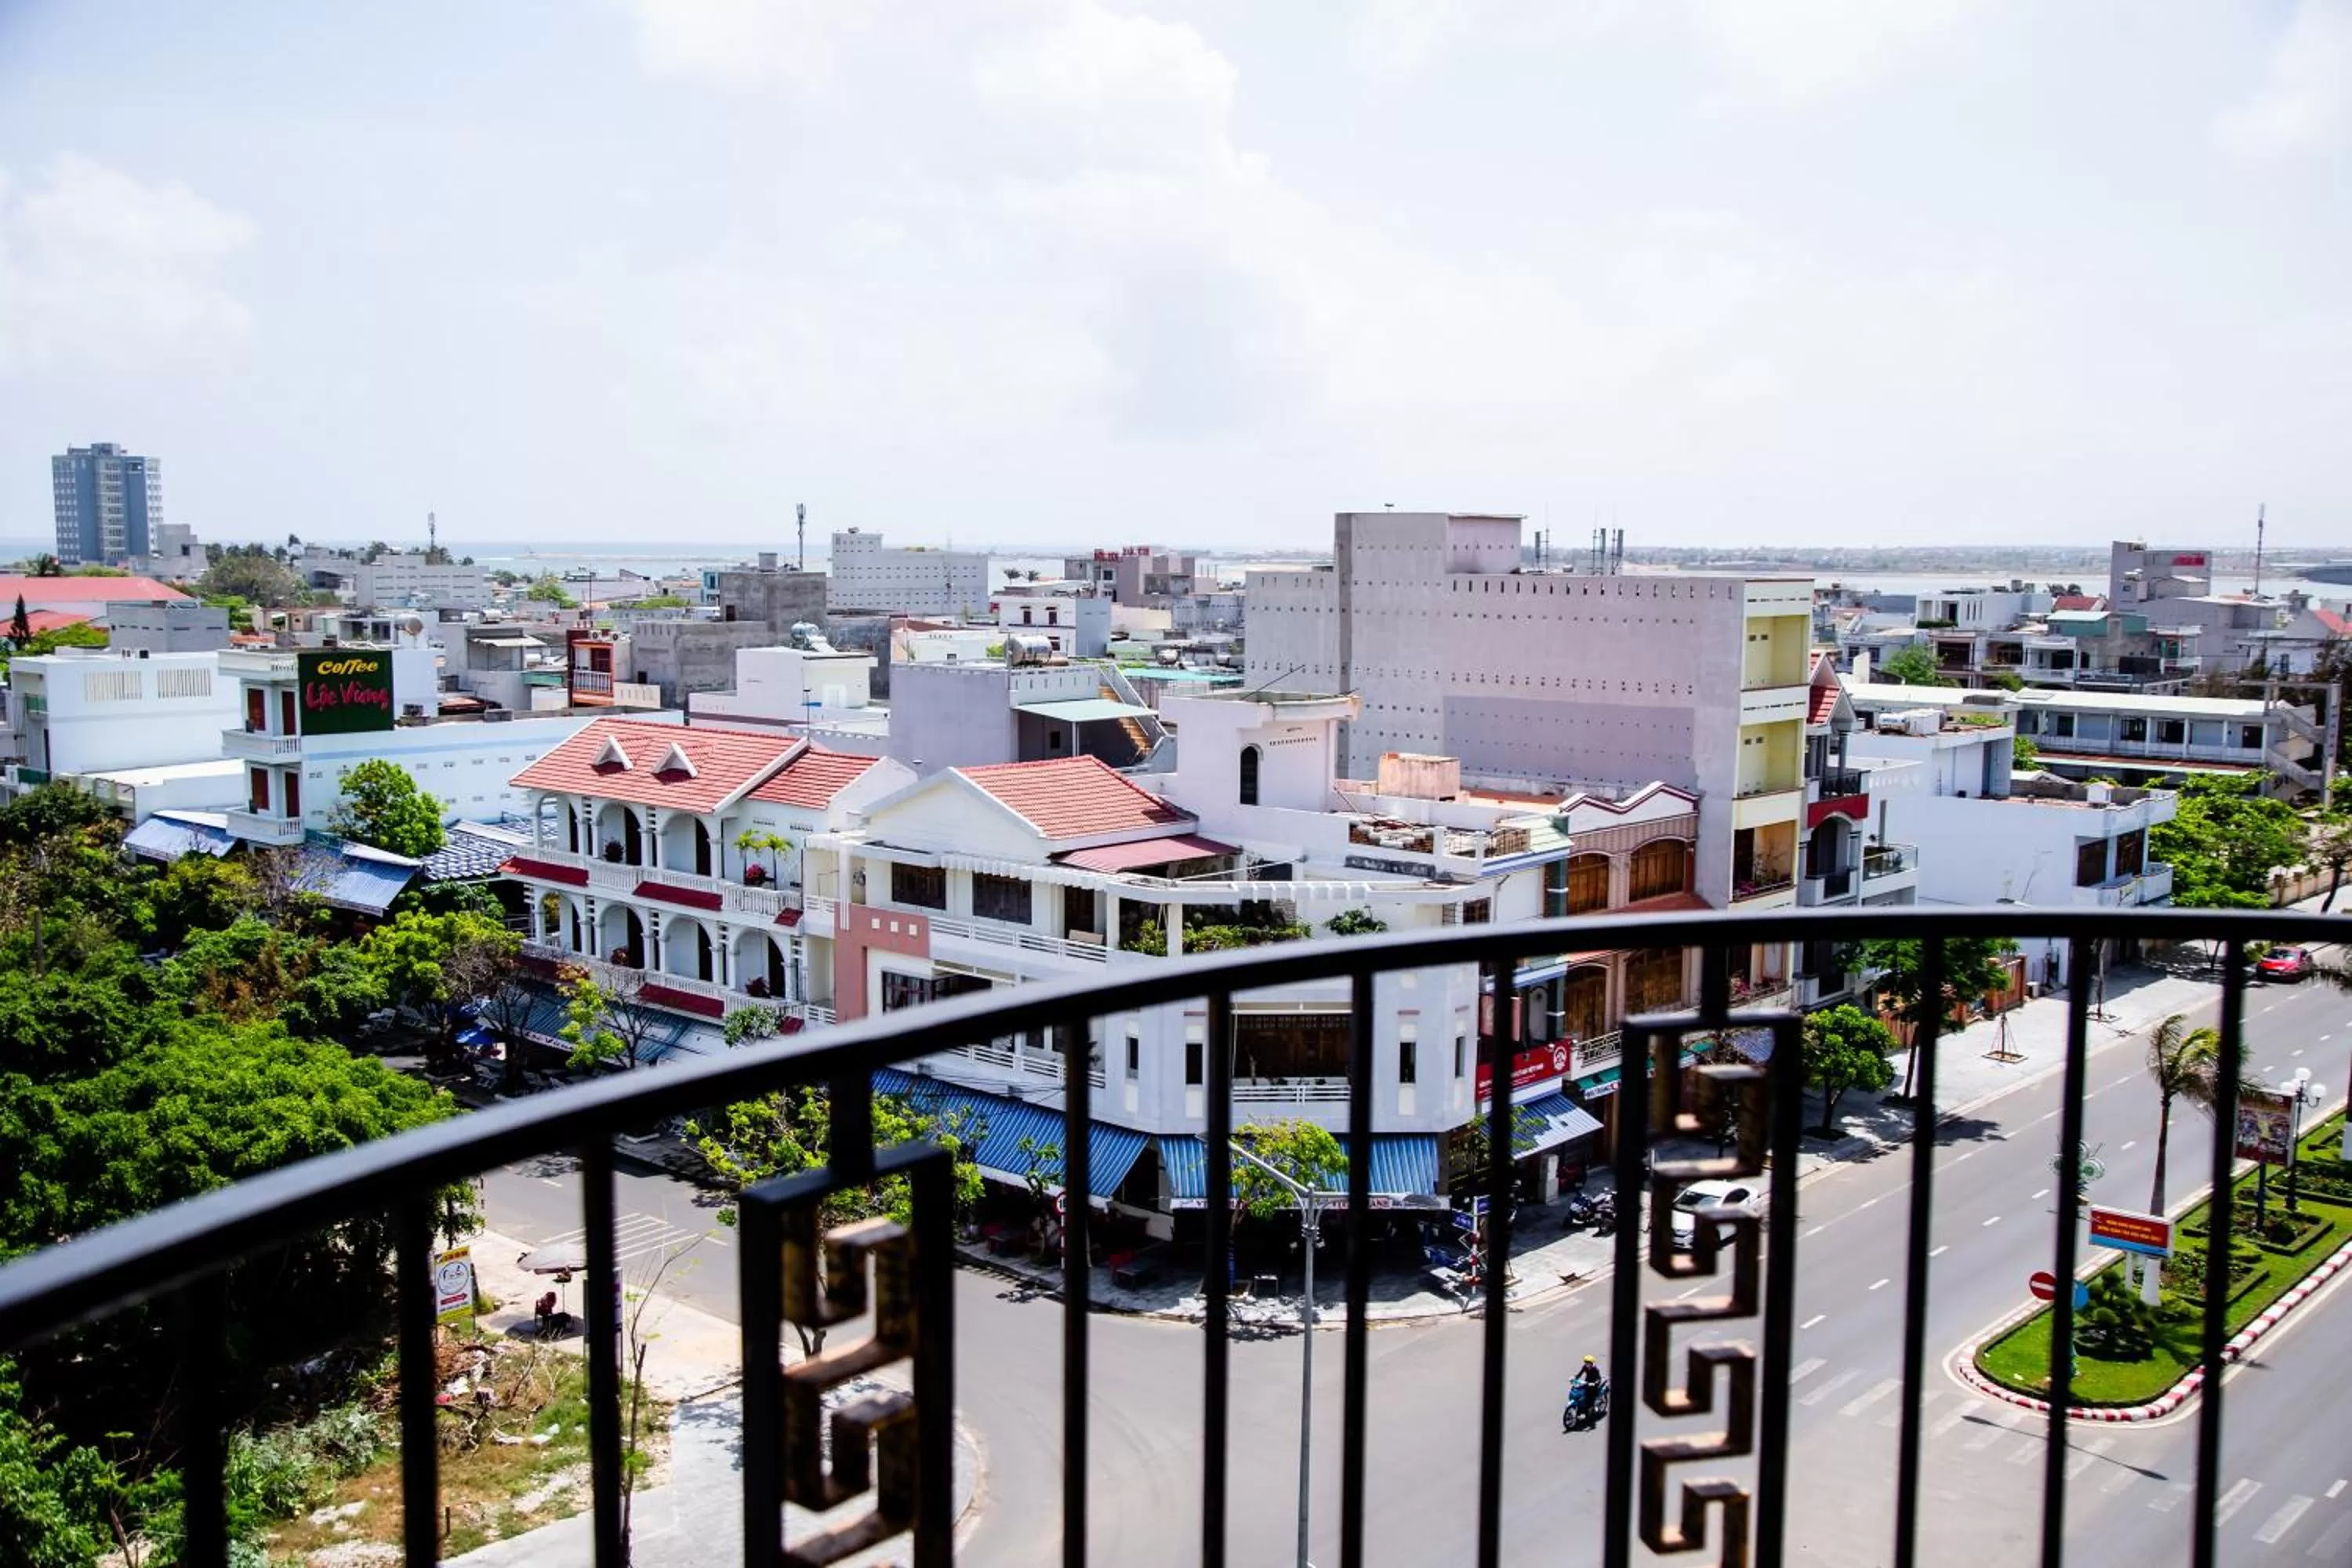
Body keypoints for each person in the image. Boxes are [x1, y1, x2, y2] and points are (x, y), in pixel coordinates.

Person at [1564, 1356, 1605, 1430]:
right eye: (1586, 1363)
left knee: (1589, 1399)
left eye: (1588, 1363)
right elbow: (1580, 1374)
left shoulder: (1596, 1370)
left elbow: (1599, 1379)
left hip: (1593, 1385)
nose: (1587, 1364)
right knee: (1579, 1391)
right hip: (1587, 1383)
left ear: (1591, 1363)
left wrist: (1595, 1383)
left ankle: (1591, 1412)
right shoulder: (1585, 1367)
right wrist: (1574, 1378)